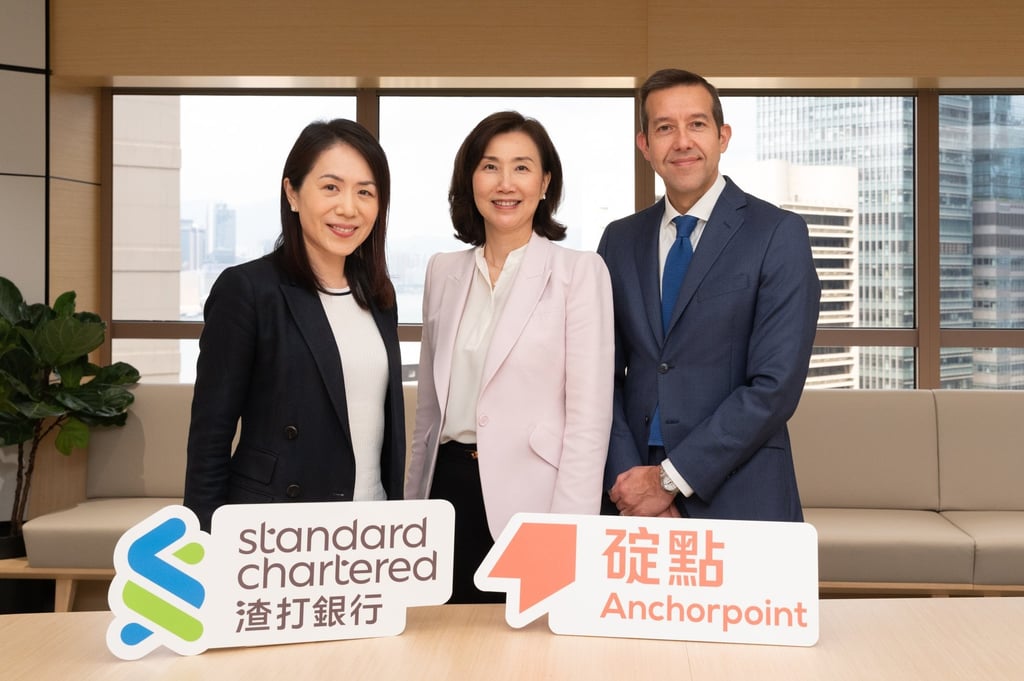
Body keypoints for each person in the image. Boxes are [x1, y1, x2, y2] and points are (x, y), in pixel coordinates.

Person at [405, 111, 614, 603]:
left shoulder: (578, 273)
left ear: (545, 183)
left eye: (521, 168)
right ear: (470, 180)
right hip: (446, 493)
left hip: (534, 499)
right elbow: (429, 414)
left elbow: (589, 420)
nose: (505, 183)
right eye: (489, 166)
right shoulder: (442, 271)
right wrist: (411, 510)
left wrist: (569, 533)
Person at [598, 69, 820, 522]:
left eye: (696, 124)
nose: (682, 141)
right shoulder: (619, 240)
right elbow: (601, 376)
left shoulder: (777, 233)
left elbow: (774, 388)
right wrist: (632, 483)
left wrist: (668, 481)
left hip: (739, 489)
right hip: (632, 493)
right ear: (644, 145)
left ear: (723, 136)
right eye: (664, 128)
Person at [184, 119, 405, 532]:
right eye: (330, 187)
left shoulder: (378, 296)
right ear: (293, 193)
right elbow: (210, 438)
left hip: (373, 525)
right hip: (274, 532)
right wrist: (204, 542)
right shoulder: (248, 290)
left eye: (365, 192)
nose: (348, 208)